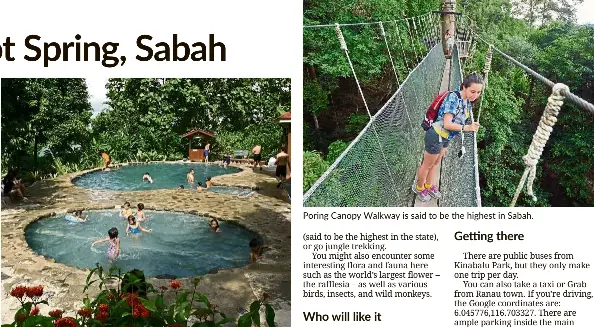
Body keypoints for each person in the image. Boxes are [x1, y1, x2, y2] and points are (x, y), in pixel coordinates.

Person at [413, 73, 483, 202]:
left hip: (447, 137)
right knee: (428, 164)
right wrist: (466, 128)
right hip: (436, 135)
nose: (475, 95)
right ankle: (419, 187)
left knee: (436, 162)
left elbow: (459, 119)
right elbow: (447, 123)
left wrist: (471, 124)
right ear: (464, 87)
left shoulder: (467, 101)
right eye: (473, 91)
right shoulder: (453, 98)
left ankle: (429, 186)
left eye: (478, 92)